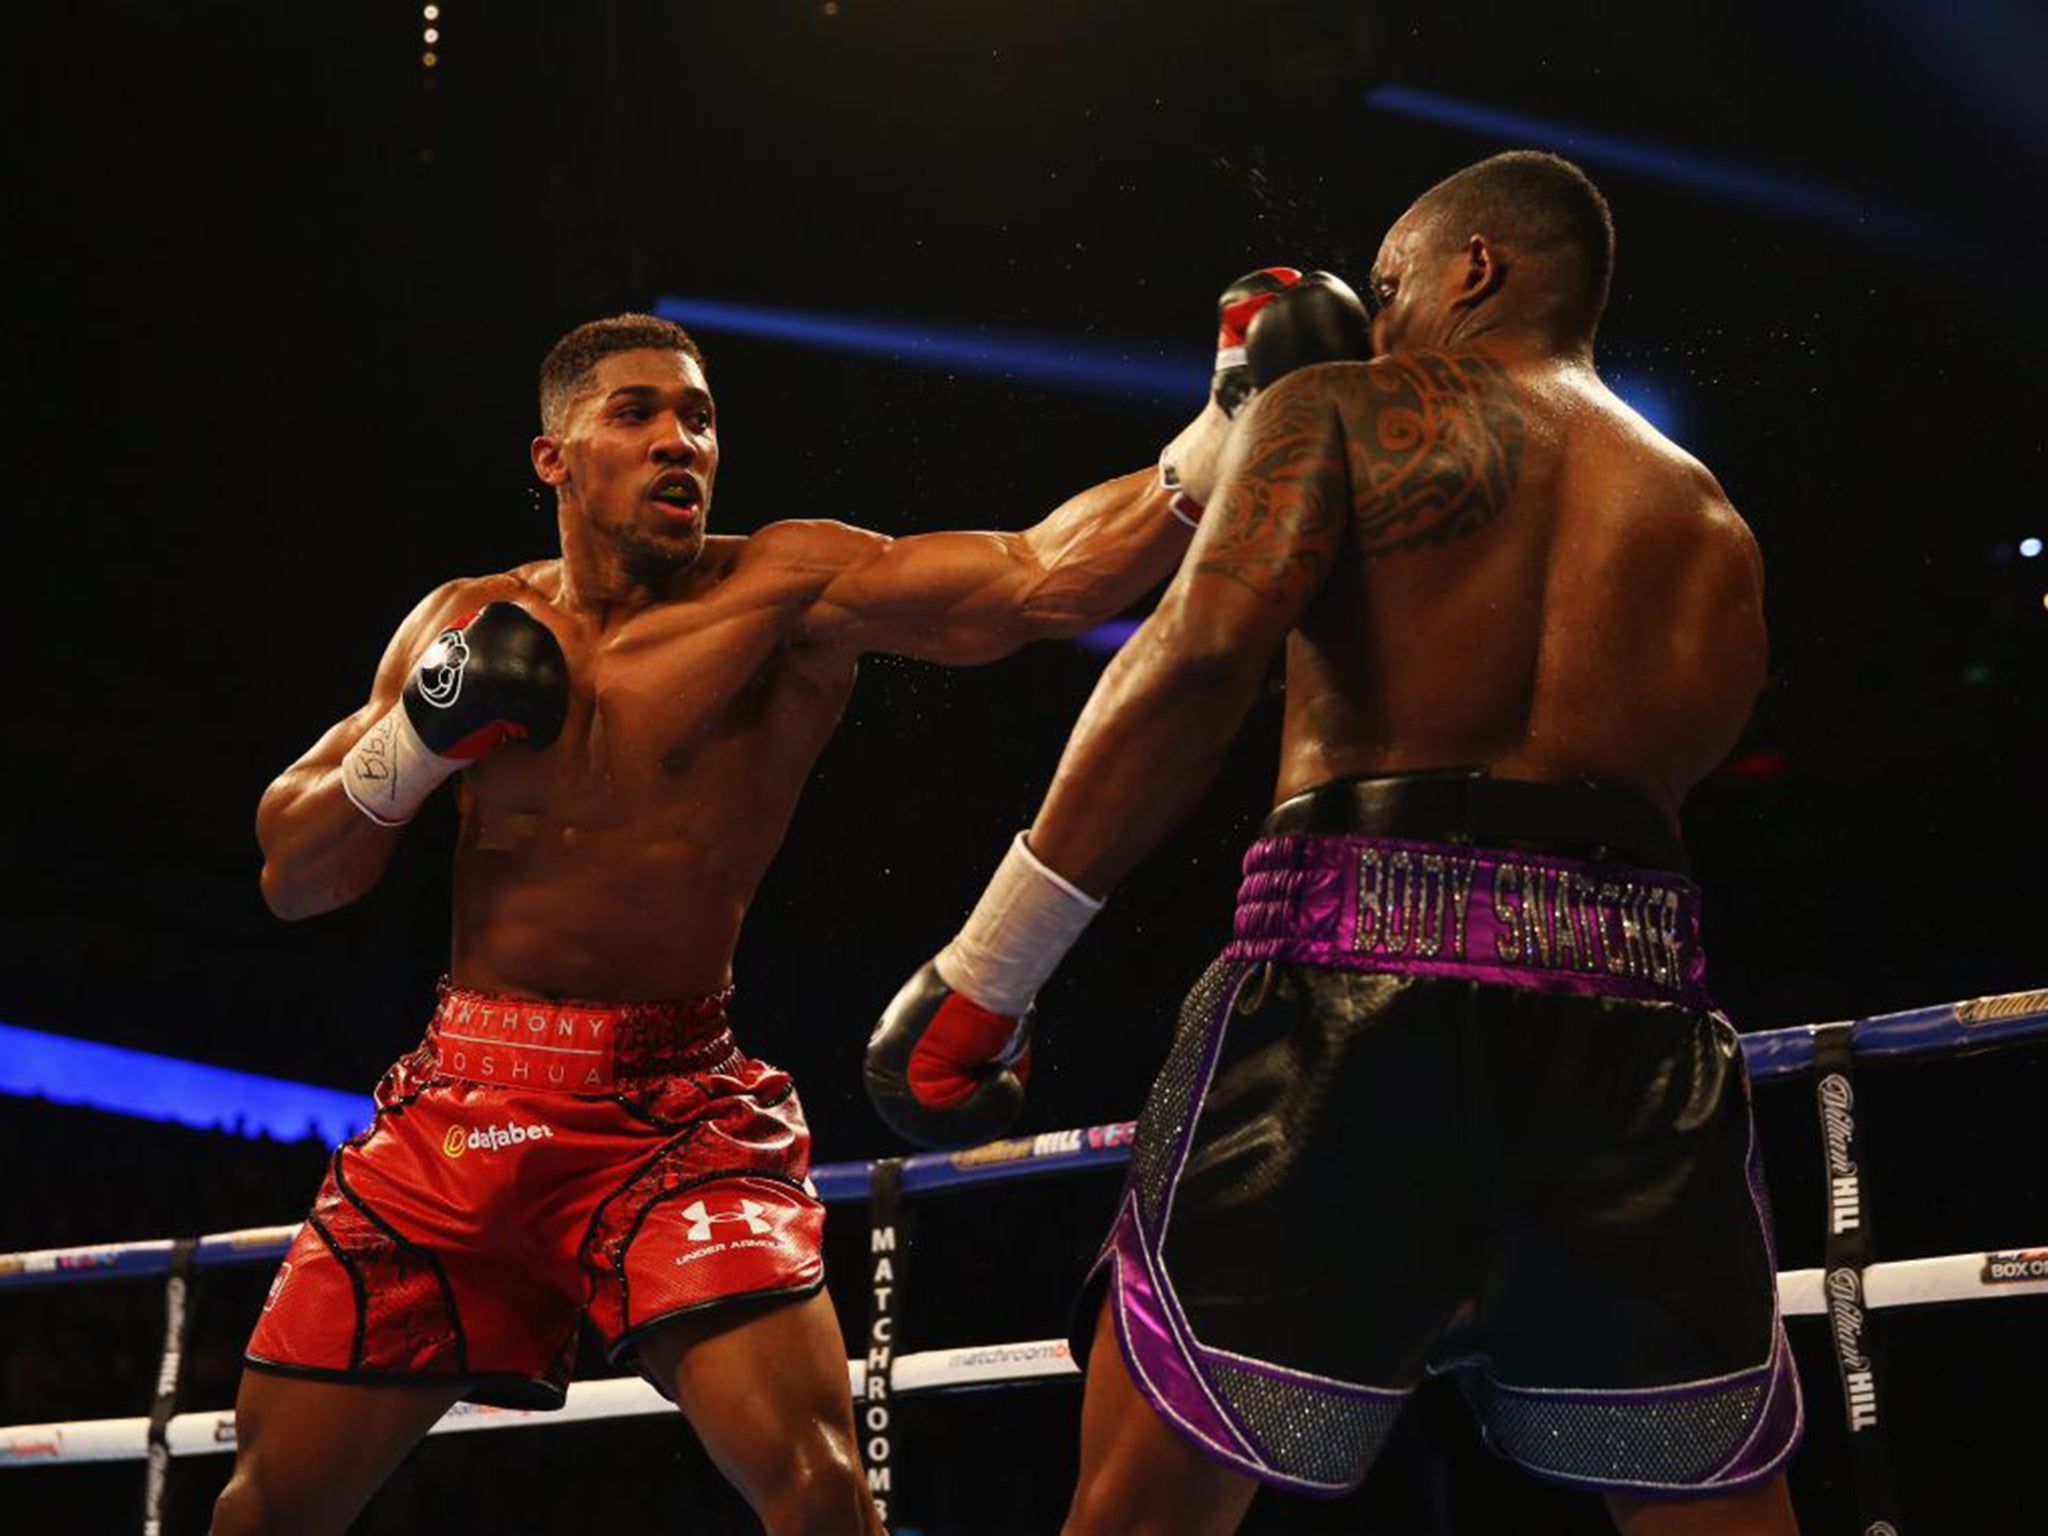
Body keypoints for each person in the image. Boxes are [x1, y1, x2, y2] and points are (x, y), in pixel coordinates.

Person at [870, 152, 1801, 1535]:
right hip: (1631, 1015)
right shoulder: (1710, 522)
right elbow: (1677, 769)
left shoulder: (1343, 409)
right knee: (1716, 1515)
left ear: (1474, 267)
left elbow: (1189, 671)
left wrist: (991, 966)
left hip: (1350, 990)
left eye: (1396, 284)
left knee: (1142, 1500)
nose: (1378, 320)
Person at [212, 311, 1211, 1536]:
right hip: (462, 1107)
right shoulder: (459, 621)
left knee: (818, 1493)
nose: (679, 441)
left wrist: (1217, 437)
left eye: (698, 416)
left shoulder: (784, 591)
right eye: (636, 415)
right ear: (555, 457)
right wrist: (410, 745)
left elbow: (1033, 577)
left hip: (670, 1115)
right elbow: (294, 874)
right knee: (265, 1509)